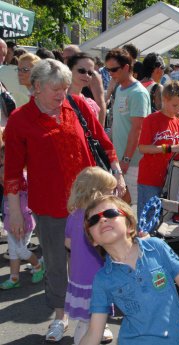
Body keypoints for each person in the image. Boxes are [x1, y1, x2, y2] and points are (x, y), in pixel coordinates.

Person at [3, 58, 125, 343]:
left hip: (90, 201)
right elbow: (11, 172)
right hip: (50, 204)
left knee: (94, 260)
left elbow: (102, 141)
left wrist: (117, 172)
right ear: (36, 87)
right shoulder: (20, 120)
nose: (62, 94)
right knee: (57, 262)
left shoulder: (77, 106)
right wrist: (15, 212)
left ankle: (95, 316)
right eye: (55, 89)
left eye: (65, 87)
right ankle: (61, 316)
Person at [79, 195, 179, 345]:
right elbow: (94, 332)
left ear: (130, 226)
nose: (102, 219)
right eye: (94, 220)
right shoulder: (103, 279)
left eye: (111, 213)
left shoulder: (156, 247)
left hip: (178, 339)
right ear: (93, 240)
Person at [64, 167, 117, 345]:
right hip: (95, 279)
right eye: (110, 192)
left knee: (86, 321)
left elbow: (68, 244)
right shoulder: (99, 221)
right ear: (97, 193)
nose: (113, 196)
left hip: (79, 277)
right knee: (89, 324)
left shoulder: (74, 215)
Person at [105, 48, 152, 205]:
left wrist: (126, 159)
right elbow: (119, 123)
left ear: (126, 67)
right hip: (120, 160)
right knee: (121, 204)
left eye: (114, 69)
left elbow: (138, 129)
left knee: (132, 206)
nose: (110, 73)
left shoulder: (138, 93)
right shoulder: (119, 89)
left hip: (133, 162)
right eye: (108, 69)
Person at [137, 81, 179, 219]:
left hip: (172, 181)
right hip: (150, 179)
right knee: (147, 220)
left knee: (166, 220)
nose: (178, 109)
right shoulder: (151, 120)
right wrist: (169, 148)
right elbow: (142, 148)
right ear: (164, 100)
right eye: (175, 105)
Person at [0, 134, 44, 290]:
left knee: (19, 249)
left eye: (5, 157)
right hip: (12, 216)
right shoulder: (14, 172)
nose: (2, 160)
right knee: (13, 249)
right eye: (3, 157)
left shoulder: (17, 174)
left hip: (22, 218)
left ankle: (38, 266)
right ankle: (14, 277)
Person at [67, 52, 101, 119]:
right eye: (82, 71)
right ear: (70, 70)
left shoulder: (92, 104)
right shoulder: (57, 100)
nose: (86, 75)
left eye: (90, 73)